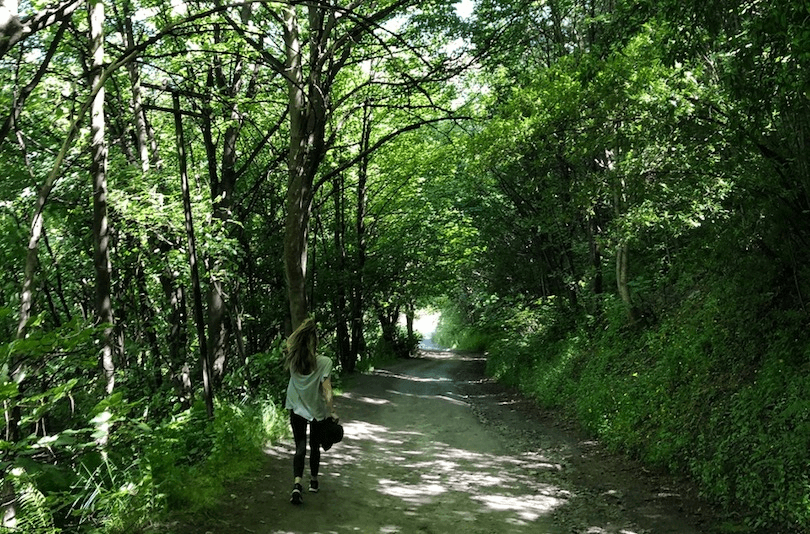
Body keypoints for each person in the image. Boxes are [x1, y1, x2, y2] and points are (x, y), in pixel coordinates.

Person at [284, 317, 338, 505]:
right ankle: (313, 481)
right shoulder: (324, 362)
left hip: (296, 407)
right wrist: (332, 411)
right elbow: (327, 389)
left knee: (299, 448)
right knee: (315, 446)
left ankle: (297, 485)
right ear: (315, 342)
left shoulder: (293, 360)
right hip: (316, 409)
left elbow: (289, 343)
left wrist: (304, 330)